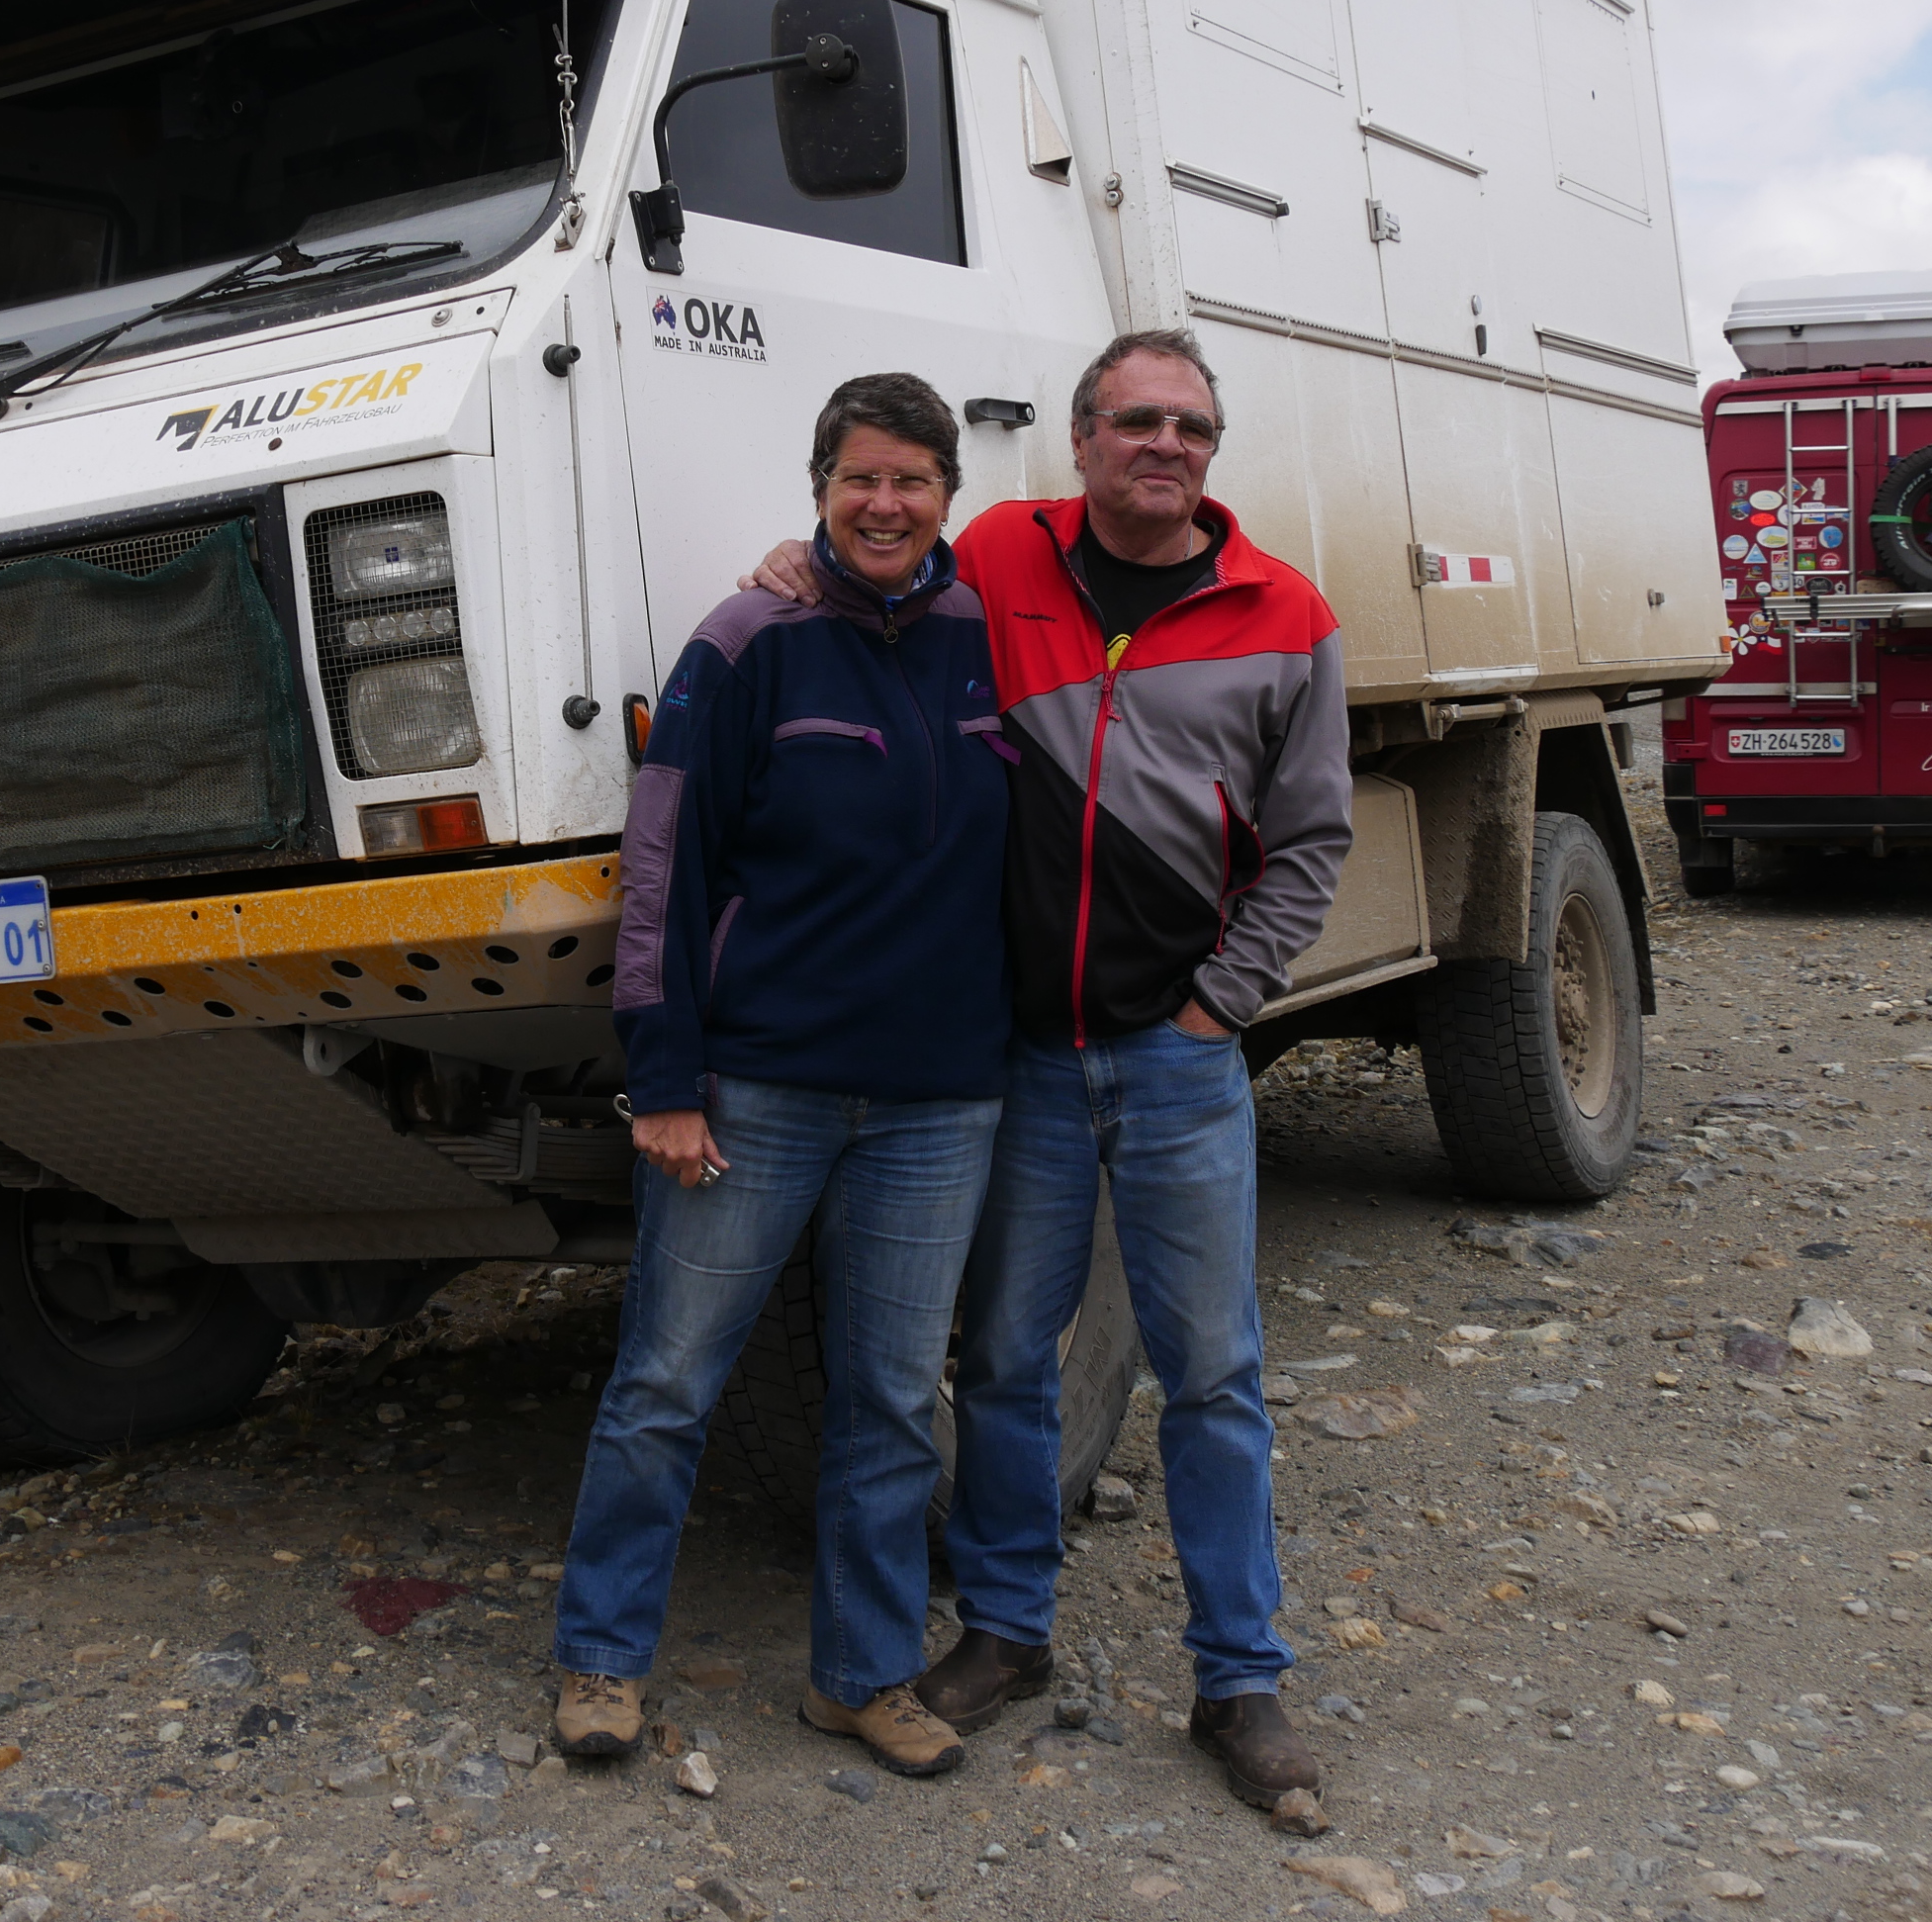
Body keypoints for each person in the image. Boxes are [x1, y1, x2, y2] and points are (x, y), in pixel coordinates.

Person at [747, 325, 1352, 1811]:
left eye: (1190, 427)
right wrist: (789, 565)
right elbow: (880, 569)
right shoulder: (1006, 550)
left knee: (1213, 1375)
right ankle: (1009, 1630)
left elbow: (1312, 841)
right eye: (1136, 420)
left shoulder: (1287, 613)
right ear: (1080, 440)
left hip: (1176, 1062)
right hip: (1021, 1054)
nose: (1164, 445)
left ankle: (1239, 1679)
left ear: (1211, 452)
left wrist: (1217, 1009)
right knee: (1007, 1362)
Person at [550, 372, 1018, 1782]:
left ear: (950, 495)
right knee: (667, 1382)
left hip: (938, 1097)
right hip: (758, 1088)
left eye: (914, 480)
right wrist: (664, 1076)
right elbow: (663, 870)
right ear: (819, 487)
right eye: (861, 477)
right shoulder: (745, 641)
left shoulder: (994, 639)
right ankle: (601, 1660)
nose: (886, 504)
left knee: (891, 1401)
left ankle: (862, 1676)